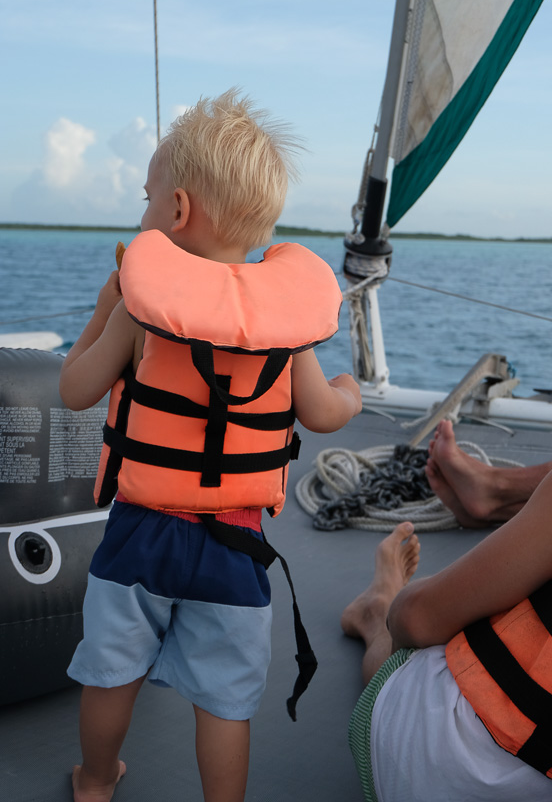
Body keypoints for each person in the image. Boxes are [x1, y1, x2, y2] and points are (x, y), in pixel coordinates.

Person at [60, 90, 361, 802]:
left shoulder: (141, 311)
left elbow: (76, 390)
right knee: (224, 701)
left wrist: (105, 312)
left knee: (110, 672)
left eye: (146, 197)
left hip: (139, 534)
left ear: (176, 212)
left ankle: (95, 782)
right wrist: (349, 391)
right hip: (235, 547)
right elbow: (322, 414)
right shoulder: (281, 328)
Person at [342, 404, 552, 802]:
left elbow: (417, 620)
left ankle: (373, 611)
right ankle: (497, 498)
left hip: (443, 774)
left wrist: (398, 608)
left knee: (422, 628)